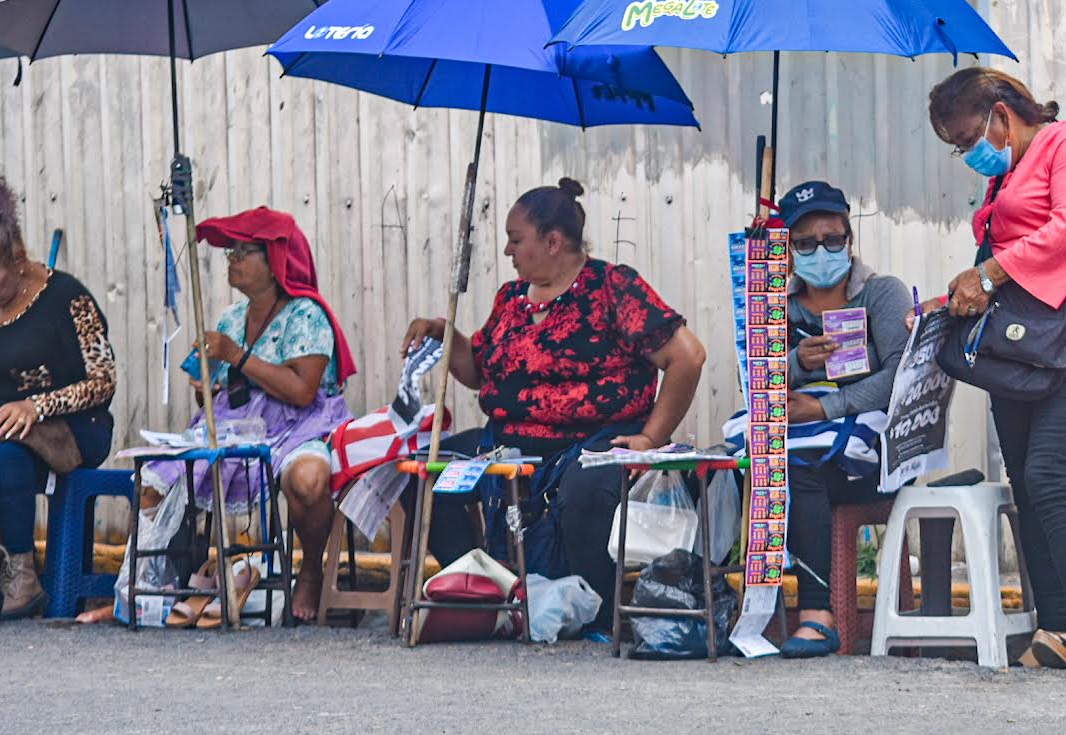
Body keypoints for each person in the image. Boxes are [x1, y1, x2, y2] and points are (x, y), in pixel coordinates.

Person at [401, 178, 707, 638]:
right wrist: (444, 333)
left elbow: (688, 357)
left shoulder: (612, 287)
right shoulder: (511, 299)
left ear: (552, 242)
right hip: (508, 443)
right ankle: (489, 595)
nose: (507, 250)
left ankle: (596, 615)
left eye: (515, 239)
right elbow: (480, 370)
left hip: (590, 442)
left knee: (586, 489)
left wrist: (650, 438)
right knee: (425, 476)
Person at [919, 67, 1066, 671]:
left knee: (1047, 474)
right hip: (1021, 342)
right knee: (1025, 482)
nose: (969, 155)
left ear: (1002, 115)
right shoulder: (1006, 174)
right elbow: (1005, 265)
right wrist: (949, 301)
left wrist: (987, 276)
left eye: (969, 139)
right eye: (958, 148)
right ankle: (1055, 628)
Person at [141, 207, 356, 624]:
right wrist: (207, 390)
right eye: (231, 252)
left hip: (301, 425)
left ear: (275, 262)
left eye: (244, 252)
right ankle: (161, 584)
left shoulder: (307, 314)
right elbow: (217, 393)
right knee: (156, 480)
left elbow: (302, 391)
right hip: (239, 426)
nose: (233, 260)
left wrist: (235, 355)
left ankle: (311, 569)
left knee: (308, 480)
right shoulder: (231, 318)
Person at [0, 169, 117, 619]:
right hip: (0, 419)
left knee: (1, 444)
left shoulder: (67, 298)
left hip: (76, 426)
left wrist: (35, 406)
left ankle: (23, 577)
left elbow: (103, 381)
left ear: (18, 260)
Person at [753, 180, 912, 657]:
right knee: (745, 466)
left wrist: (827, 406)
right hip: (797, 445)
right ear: (788, 251)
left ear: (849, 239)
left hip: (872, 459)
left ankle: (817, 616)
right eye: (805, 243)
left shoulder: (881, 295)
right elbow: (756, 383)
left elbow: (900, 376)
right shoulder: (776, 307)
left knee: (799, 470)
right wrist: (796, 362)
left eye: (832, 239)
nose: (820, 251)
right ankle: (739, 610)